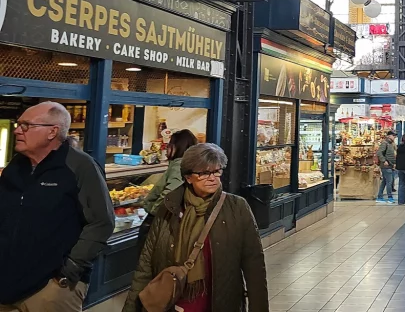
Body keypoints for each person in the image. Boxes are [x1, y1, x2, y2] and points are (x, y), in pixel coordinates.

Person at [121, 144, 269, 312]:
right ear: (188, 177)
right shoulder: (170, 207)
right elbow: (146, 263)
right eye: (204, 173)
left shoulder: (237, 207)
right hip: (175, 303)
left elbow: (254, 263)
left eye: (216, 171)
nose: (212, 178)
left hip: (220, 303)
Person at [0, 102, 115, 312]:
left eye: (26, 125)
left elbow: (102, 222)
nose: (17, 130)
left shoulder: (81, 167)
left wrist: (68, 271)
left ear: (52, 131)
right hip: (7, 283)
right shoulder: (15, 167)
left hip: (50, 289)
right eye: (18, 124)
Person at [141, 130, 199, 214]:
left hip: (165, 216)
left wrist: (155, 211)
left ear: (176, 147)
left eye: (168, 146)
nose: (166, 149)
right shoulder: (193, 163)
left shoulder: (179, 166)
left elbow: (170, 193)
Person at [376, 131, 397, 204]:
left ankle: (379, 197)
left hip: (390, 165)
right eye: (393, 135)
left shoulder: (391, 144)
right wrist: (384, 160)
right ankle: (390, 197)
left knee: (384, 182)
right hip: (386, 166)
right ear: (389, 136)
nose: (394, 137)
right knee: (389, 182)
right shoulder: (385, 143)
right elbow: (379, 152)